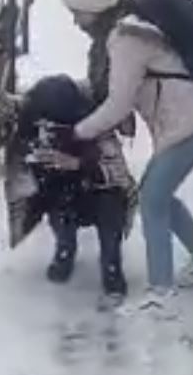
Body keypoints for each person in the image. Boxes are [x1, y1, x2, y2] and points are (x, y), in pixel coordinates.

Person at [62, 0, 193, 309]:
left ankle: (160, 293)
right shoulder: (127, 27)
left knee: (152, 198)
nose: (75, 21)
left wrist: (78, 133)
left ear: (92, 8)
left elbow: (118, 103)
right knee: (159, 193)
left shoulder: (125, 37)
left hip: (192, 121)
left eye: (77, 12)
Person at [12, 74, 133, 302]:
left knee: (111, 206)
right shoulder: (35, 126)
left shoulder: (97, 127)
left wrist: (78, 164)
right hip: (65, 194)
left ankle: (112, 266)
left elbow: (118, 174)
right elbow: (20, 170)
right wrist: (37, 164)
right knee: (55, 198)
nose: (49, 128)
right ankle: (65, 251)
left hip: (101, 192)